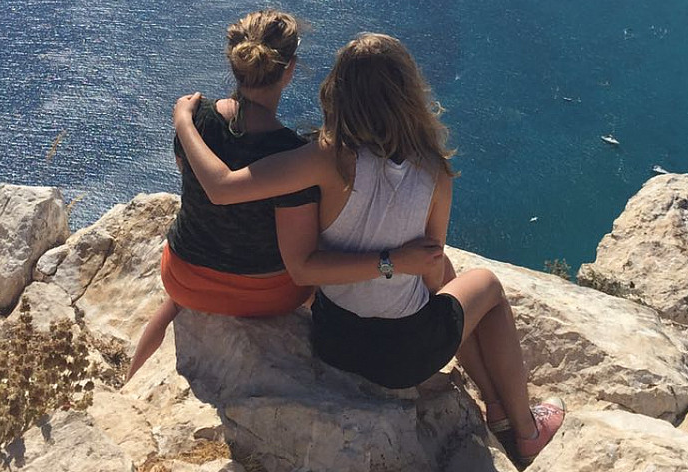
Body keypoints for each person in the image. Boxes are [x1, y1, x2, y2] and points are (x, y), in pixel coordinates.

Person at [172, 32, 565, 466]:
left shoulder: (321, 158)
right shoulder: (435, 169)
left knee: (449, 279)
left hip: (334, 341)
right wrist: (399, 266)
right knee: (483, 285)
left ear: (337, 89)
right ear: (409, 91)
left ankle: (499, 408)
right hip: (407, 357)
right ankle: (524, 429)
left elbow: (223, 188)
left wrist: (185, 122)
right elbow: (430, 267)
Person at [126, 10, 320, 381]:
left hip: (185, 278)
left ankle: (128, 385)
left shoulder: (197, 120)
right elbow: (302, 249)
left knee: (172, 304)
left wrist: (183, 120)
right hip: (270, 295)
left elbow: (191, 178)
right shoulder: (293, 155)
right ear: (289, 69)